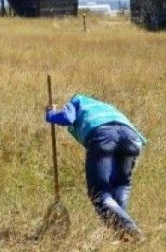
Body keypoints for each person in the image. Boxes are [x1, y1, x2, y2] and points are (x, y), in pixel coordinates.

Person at [45, 94, 148, 240]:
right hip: (132, 139)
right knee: (120, 186)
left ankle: (131, 229)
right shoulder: (106, 106)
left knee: (99, 194)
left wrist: (50, 113)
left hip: (104, 136)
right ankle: (122, 234)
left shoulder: (77, 100)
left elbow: (67, 118)